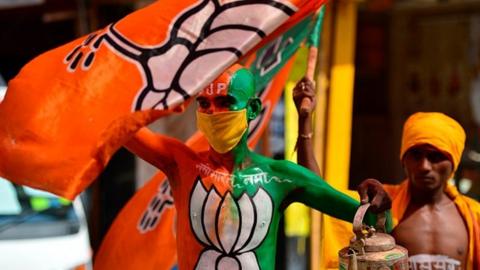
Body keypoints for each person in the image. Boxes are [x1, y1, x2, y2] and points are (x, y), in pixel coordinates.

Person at [124, 64, 391, 270]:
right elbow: (118, 126)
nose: (213, 113)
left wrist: (376, 200)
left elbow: (374, 221)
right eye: (204, 104)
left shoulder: (278, 177)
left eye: (225, 102)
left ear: (252, 109)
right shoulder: (181, 162)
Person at [293, 78, 480, 270]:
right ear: (403, 159)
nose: (424, 166)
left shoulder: (473, 218)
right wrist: (305, 119)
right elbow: (317, 191)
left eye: (435, 157)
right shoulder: (380, 209)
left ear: (453, 163)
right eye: (415, 155)